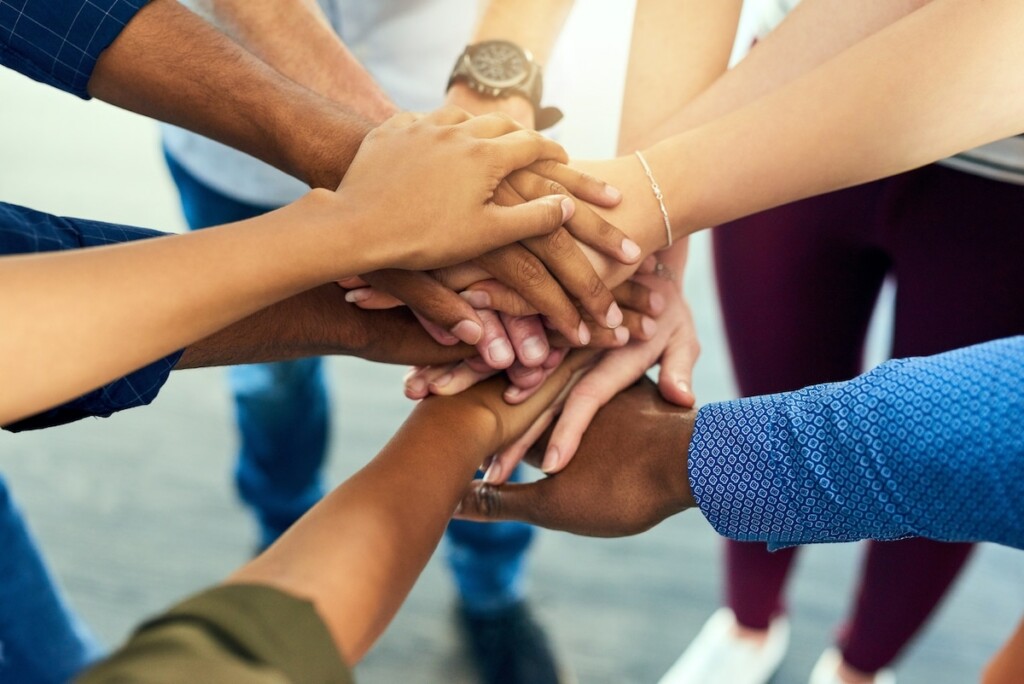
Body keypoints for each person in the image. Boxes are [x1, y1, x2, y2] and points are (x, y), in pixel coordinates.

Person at [0, 1, 634, 681]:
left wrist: (463, 114)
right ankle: (284, 531)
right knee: (282, 388)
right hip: (231, 134)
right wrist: (386, 173)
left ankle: (492, 589)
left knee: (508, 360)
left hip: (470, 101)